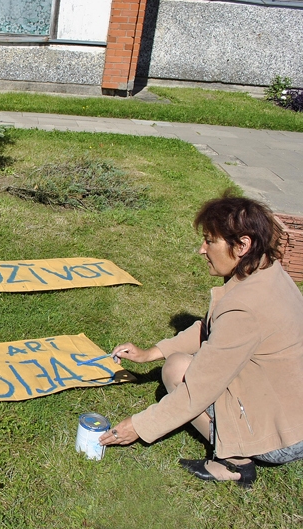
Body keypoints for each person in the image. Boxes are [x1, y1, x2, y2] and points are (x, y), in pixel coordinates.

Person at [99, 193, 303, 488]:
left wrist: (139, 426)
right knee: (176, 362)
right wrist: (150, 353)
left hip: (285, 437)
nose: (201, 249)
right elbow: (212, 329)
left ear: (242, 245)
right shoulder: (266, 271)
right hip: (291, 410)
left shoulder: (245, 307)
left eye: (210, 241)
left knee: (177, 370)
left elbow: (199, 389)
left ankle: (236, 462)